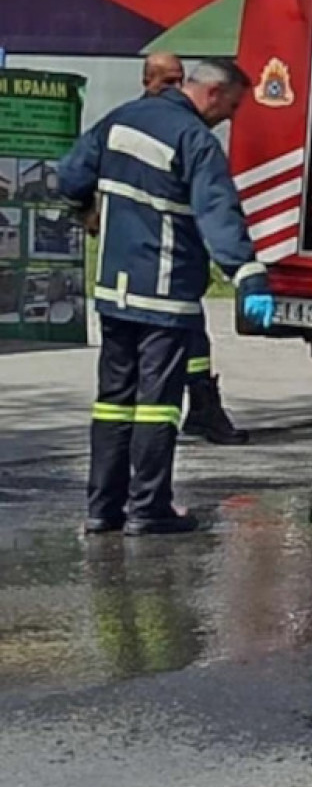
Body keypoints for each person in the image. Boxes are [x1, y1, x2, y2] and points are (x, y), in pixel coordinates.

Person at [58, 59, 275, 536]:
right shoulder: (195, 141)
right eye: (233, 106)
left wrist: (86, 207)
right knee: (158, 404)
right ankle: (149, 507)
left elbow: (69, 175)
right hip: (164, 294)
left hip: (114, 290)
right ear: (213, 93)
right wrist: (247, 273)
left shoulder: (121, 119)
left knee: (113, 401)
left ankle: (102, 508)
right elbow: (218, 212)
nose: (231, 117)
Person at [139, 53, 250, 445]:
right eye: (166, 80)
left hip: (171, 263)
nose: (173, 87)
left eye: (178, 79)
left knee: (194, 336)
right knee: (155, 366)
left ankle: (202, 405)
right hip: (154, 265)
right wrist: (244, 270)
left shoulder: (156, 126)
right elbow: (218, 209)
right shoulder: (184, 134)